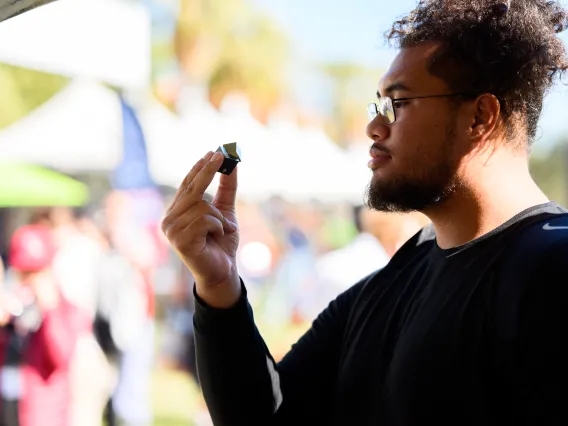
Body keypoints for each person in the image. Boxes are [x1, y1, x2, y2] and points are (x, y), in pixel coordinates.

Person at [161, 0, 568, 424]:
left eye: (399, 102)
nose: (374, 127)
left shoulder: (552, 271)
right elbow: (265, 416)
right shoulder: (394, 281)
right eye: (378, 105)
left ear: (480, 117)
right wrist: (218, 286)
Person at [0, 225, 78, 426]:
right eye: (23, 273)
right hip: (10, 406)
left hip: (42, 413)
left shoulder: (63, 307)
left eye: (34, 272)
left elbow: (62, 357)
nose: (29, 280)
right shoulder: (14, 304)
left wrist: (49, 311)